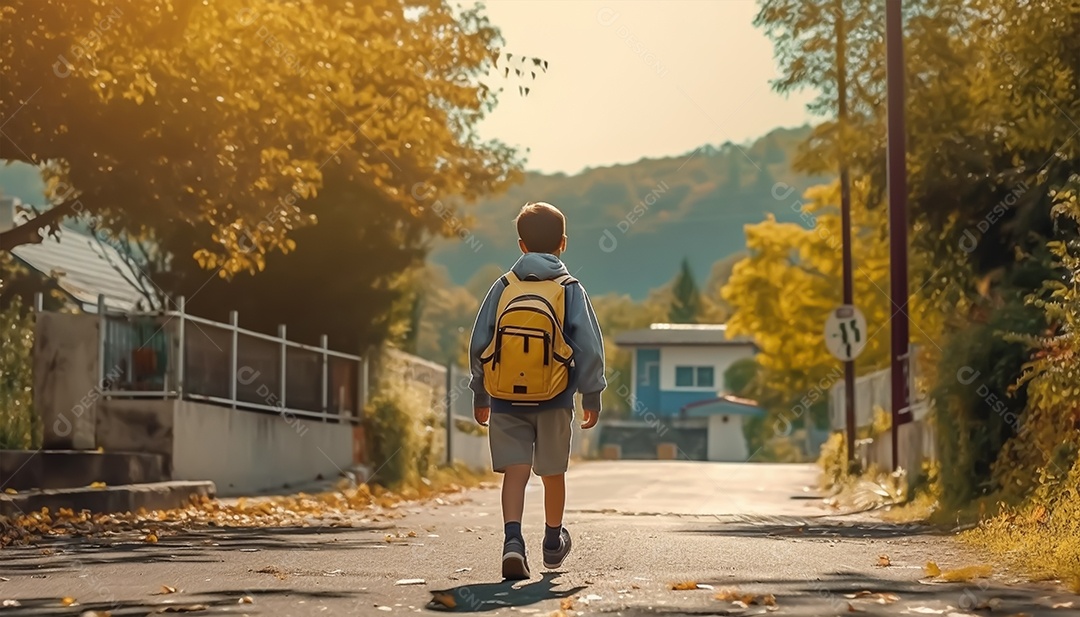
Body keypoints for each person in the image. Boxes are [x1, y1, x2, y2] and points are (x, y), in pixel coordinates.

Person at [468, 201, 606, 580]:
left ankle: (513, 541)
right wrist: (591, 393)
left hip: (504, 396)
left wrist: (480, 392)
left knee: (516, 472)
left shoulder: (503, 286)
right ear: (563, 243)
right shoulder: (569, 289)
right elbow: (589, 346)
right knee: (552, 473)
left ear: (521, 246)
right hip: (555, 397)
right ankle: (551, 542)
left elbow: (480, 341)